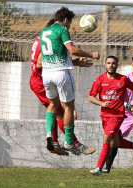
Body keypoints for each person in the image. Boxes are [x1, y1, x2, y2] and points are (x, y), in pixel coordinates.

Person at [40, 7, 99, 155]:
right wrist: (91, 54)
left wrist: (76, 62)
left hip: (46, 74)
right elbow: (71, 49)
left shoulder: (44, 31)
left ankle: (48, 133)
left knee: (53, 104)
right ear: (65, 20)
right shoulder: (62, 29)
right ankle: (68, 141)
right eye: (70, 22)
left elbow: (55, 53)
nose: (70, 26)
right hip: (61, 73)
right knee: (68, 108)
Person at [30, 29, 95, 155]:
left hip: (41, 80)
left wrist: (71, 60)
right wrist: (74, 62)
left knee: (56, 110)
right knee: (60, 112)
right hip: (41, 81)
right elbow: (40, 63)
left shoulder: (41, 38)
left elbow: (51, 58)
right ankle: (73, 143)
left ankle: (55, 142)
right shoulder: (47, 39)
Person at [88, 56, 133, 176]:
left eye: (114, 63)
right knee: (114, 143)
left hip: (117, 116)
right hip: (104, 115)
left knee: (106, 139)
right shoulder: (100, 79)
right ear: (105, 65)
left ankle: (99, 168)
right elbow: (91, 97)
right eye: (109, 63)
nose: (111, 65)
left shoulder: (123, 79)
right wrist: (102, 103)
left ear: (117, 65)